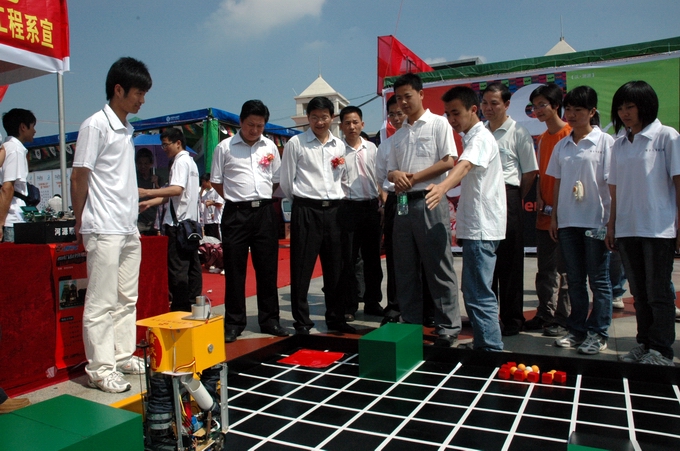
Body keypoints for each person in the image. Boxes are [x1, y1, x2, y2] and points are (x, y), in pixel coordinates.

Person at [71, 57, 152, 393]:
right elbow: (79, 176)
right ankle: (100, 369)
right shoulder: (95, 125)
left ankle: (121, 356)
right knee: (101, 301)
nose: (142, 100)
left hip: (127, 227)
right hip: (103, 226)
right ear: (118, 90)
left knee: (126, 298)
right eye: (138, 93)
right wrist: (81, 219)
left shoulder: (127, 130)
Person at [426, 86, 506, 351]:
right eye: (448, 114)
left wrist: (442, 187)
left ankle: (490, 349)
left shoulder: (480, 138)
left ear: (473, 110)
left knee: (478, 293)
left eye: (456, 113)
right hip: (476, 226)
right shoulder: (472, 138)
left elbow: (464, 166)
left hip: (481, 228)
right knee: (474, 291)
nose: (452, 120)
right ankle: (485, 343)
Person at [606, 80, 679, 366]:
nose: (624, 113)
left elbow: (678, 181)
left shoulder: (667, 137)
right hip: (627, 228)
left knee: (658, 292)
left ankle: (662, 350)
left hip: (658, 228)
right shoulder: (619, 144)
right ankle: (645, 344)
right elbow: (615, 189)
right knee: (638, 292)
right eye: (620, 108)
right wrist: (612, 224)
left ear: (645, 106)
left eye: (630, 107)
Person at [386, 73, 461, 347]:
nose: (403, 102)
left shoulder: (439, 123)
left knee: (438, 265)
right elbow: (391, 171)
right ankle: (411, 322)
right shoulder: (398, 135)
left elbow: (449, 161)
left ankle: (448, 326)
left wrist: (414, 178)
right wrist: (396, 175)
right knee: (405, 267)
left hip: (430, 198)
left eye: (408, 96)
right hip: (403, 204)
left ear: (420, 94)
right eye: (399, 98)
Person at [210, 99, 288, 342]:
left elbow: (276, 179)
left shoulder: (270, 146)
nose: (255, 130)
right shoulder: (224, 147)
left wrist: (259, 199)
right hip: (236, 213)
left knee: (268, 268)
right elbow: (216, 181)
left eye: (260, 125)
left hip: (265, 212)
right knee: (234, 269)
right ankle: (234, 323)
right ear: (241, 122)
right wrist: (237, 199)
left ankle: (270, 320)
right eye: (250, 124)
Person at [547, 85, 613, 355]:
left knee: (598, 280)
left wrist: (611, 222)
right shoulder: (562, 145)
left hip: (596, 221)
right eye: (569, 110)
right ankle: (577, 329)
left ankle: (598, 332)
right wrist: (554, 217)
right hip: (568, 222)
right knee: (574, 279)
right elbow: (557, 183)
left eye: (579, 110)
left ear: (592, 112)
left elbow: (613, 184)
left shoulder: (605, 143)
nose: (572, 115)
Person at [280, 96, 355, 335]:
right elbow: (286, 181)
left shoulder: (339, 146)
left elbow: (343, 178)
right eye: (314, 117)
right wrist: (303, 203)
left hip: (335, 212)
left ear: (332, 118)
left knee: (336, 269)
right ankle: (302, 322)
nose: (319, 122)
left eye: (324, 117)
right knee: (302, 268)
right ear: (308, 118)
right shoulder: (296, 143)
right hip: (306, 210)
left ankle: (336, 318)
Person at [481, 83, 538, 336]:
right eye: (485, 103)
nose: (488, 108)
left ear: (506, 105)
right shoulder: (479, 132)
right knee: (486, 262)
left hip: (508, 196)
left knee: (510, 262)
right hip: (483, 200)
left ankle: (513, 319)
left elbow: (530, 172)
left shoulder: (518, 132)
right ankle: (488, 317)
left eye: (494, 103)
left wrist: (512, 197)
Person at [524, 83, 571, 336]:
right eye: (535, 106)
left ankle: (564, 319)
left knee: (567, 271)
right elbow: (541, 174)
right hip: (545, 214)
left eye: (543, 105)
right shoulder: (542, 139)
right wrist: (541, 197)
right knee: (545, 270)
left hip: (566, 215)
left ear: (556, 106)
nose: (538, 110)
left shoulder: (570, 134)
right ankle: (544, 313)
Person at [139, 128, 202, 313]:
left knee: (178, 269)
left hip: (178, 225)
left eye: (166, 144)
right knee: (193, 266)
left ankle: (180, 308)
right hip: (190, 223)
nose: (164, 148)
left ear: (178, 143)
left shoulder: (179, 162)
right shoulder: (190, 162)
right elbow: (173, 196)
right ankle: (194, 304)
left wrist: (147, 192)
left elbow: (176, 189)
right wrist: (150, 202)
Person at [337, 106, 384, 321]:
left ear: (362, 124)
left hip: (371, 208)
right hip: (347, 209)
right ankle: (350, 304)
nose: (352, 126)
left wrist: (382, 199)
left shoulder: (372, 148)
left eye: (355, 122)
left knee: (372, 258)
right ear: (341, 126)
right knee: (349, 259)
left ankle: (373, 302)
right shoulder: (337, 150)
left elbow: (379, 176)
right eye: (347, 123)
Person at [0, 108, 36, 242]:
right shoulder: (15, 150)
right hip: (11, 220)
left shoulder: (6, 147)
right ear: (23, 127)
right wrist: (1, 223)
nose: (34, 131)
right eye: (32, 126)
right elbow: (7, 187)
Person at [136, 147, 161, 236]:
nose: (143, 166)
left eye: (146, 163)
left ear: (151, 164)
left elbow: (163, 198)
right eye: (140, 163)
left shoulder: (157, 178)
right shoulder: (134, 178)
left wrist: (156, 185)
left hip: (153, 221)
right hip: (138, 221)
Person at [199, 173, 223, 240]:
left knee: (215, 240)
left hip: (214, 220)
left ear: (209, 181)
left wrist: (211, 203)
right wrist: (202, 190)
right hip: (207, 221)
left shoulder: (216, 191)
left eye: (203, 181)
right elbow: (200, 199)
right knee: (209, 240)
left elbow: (220, 203)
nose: (202, 183)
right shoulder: (207, 193)